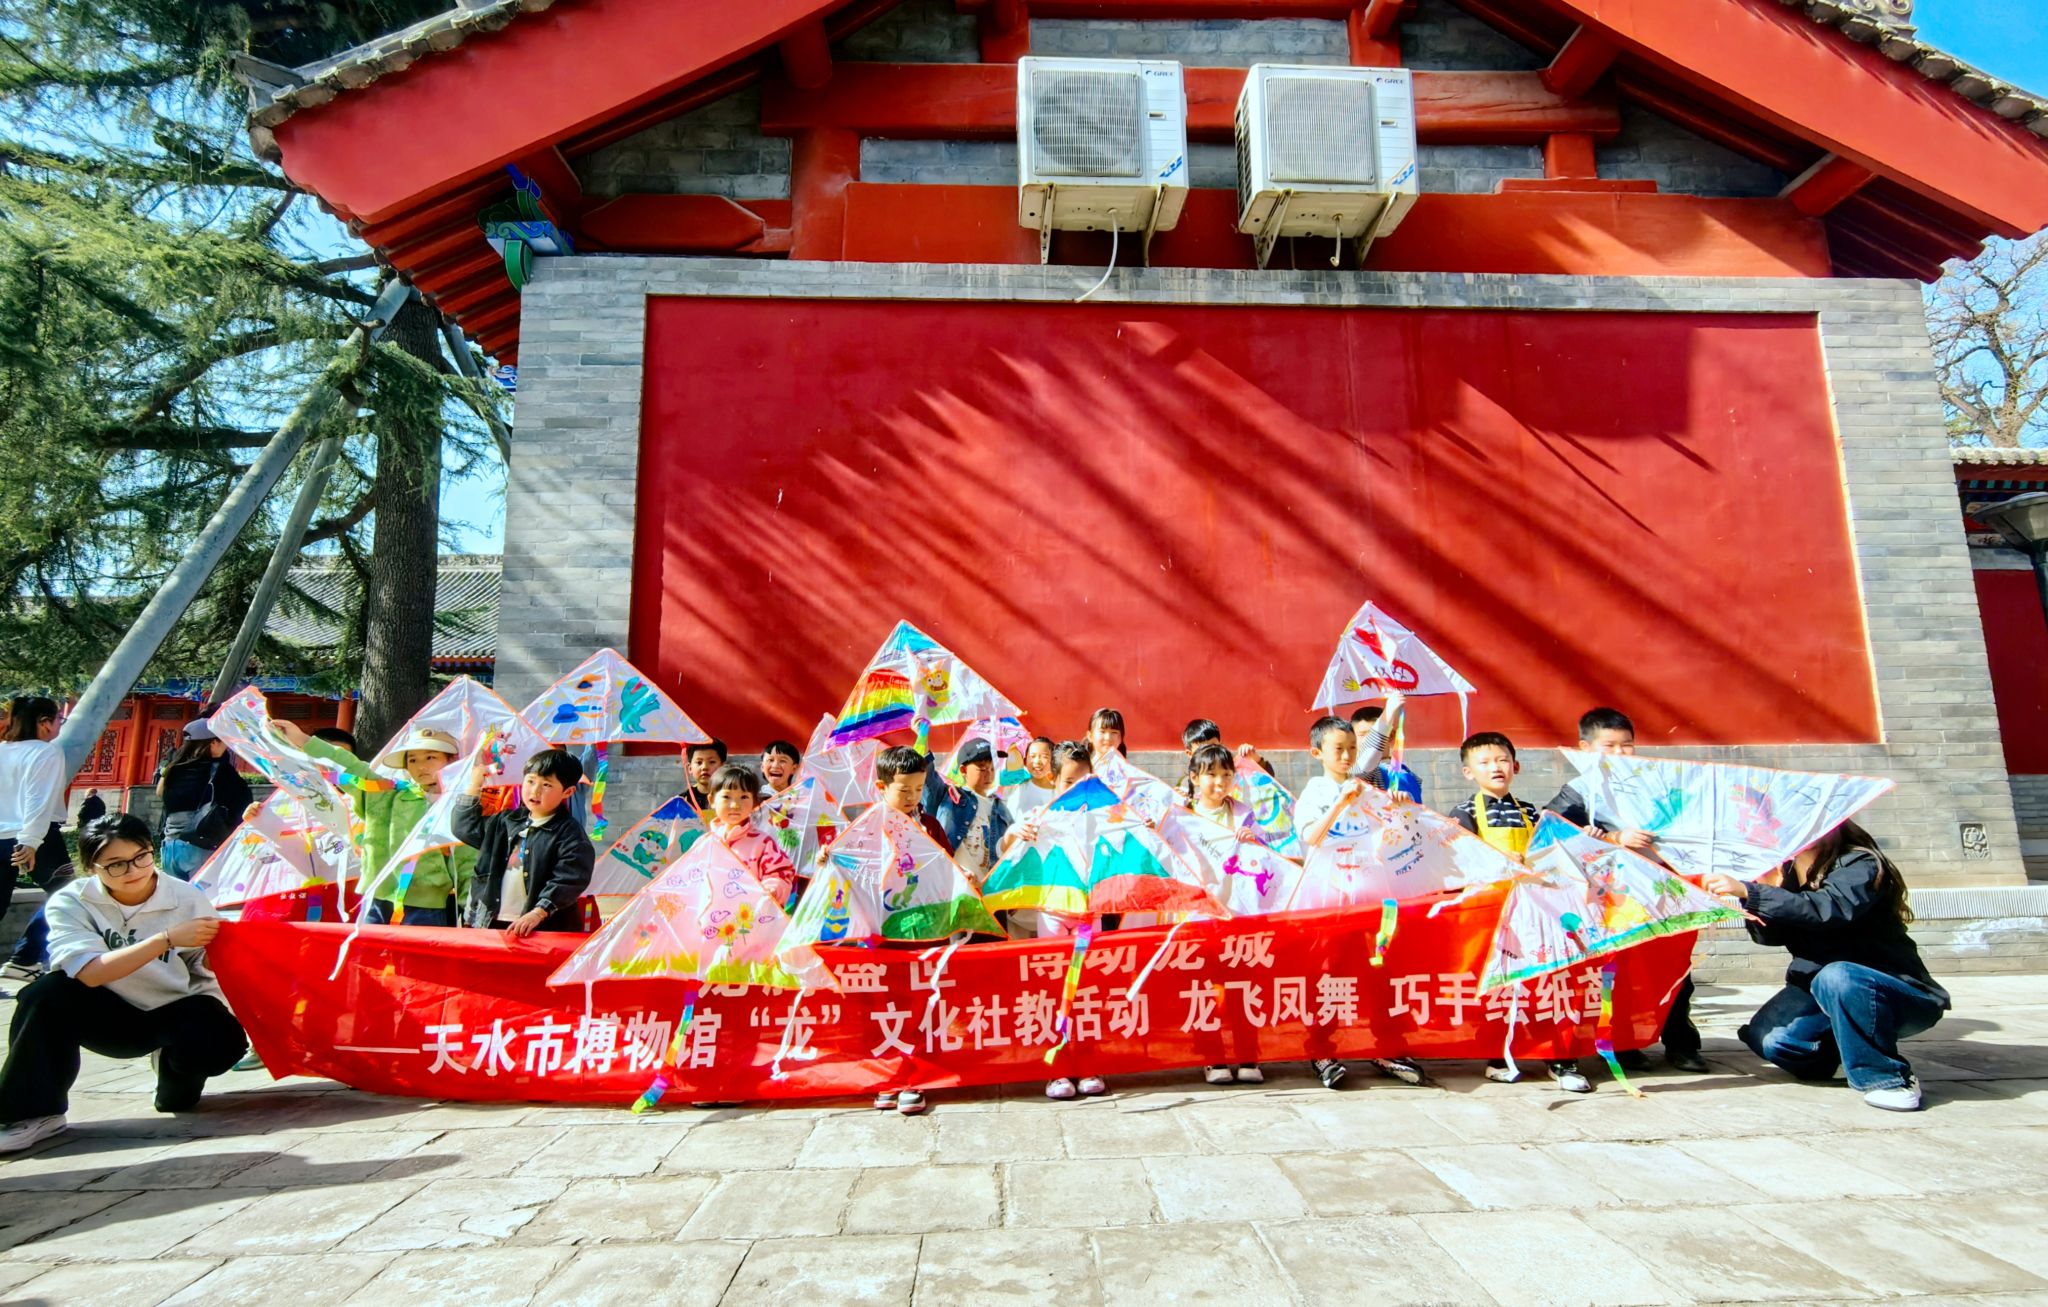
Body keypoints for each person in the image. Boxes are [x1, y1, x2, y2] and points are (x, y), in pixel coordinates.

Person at [0, 814, 246, 1152]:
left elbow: (204, 969)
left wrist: (218, 955)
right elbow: (90, 972)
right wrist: (166, 939)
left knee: (212, 1047)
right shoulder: (72, 902)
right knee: (45, 994)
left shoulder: (186, 897)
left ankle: (172, 1069)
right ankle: (33, 1112)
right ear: (92, 867)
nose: (133, 871)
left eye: (141, 856)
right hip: (104, 1012)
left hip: (169, 1010)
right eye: (116, 864)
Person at [1705, 822, 1949, 1112]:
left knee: (1837, 976)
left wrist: (1753, 892)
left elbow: (1827, 909)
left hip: (1889, 989)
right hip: (1819, 987)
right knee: (1771, 1041)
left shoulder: (1860, 863)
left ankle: (1888, 1078)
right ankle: (1845, 1057)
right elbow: (1770, 938)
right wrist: (1760, 892)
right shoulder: (1785, 872)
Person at [1544, 707, 1705, 1074]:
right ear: (1585, 748)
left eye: (1627, 745)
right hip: (1614, 899)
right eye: (1610, 745)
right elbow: (1551, 834)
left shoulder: (1656, 784)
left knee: (1675, 969)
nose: (1620, 753)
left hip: (1661, 889)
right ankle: (1624, 1043)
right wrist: (1614, 838)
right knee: (1622, 975)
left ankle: (1682, 1044)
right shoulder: (1580, 790)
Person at [1292, 715, 1428, 1091]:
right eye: (1338, 749)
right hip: (1330, 900)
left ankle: (1385, 1046)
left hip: (1372, 897)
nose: (1347, 756)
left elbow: (1394, 839)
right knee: (1328, 973)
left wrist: (1400, 808)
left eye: (1352, 749)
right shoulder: (1315, 792)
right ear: (1317, 753)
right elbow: (1312, 837)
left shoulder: (1369, 791)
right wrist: (1340, 803)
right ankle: (1321, 1049)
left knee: (1380, 970)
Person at [1452, 731, 1592, 1094]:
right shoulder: (1464, 813)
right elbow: (1460, 861)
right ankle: (1498, 1057)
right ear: (1468, 772)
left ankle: (1560, 1058)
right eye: (1484, 762)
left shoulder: (1532, 812)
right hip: (1494, 915)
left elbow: (1552, 853)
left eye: (1502, 760)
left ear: (1515, 766)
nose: (1495, 767)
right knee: (1500, 987)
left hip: (1537, 912)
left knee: (1550, 983)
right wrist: (1498, 861)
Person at [286, 721, 474, 928]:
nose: (421, 766)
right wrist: (303, 740)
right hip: (376, 898)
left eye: (431, 757)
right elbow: (352, 768)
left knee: (414, 951)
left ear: (452, 760)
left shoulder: (459, 806)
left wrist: (471, 915)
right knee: (367, 949)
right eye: (412, 759)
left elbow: (467, 863)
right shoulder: (386, 794)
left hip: (425, 907)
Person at [870, 745, 956, 1117]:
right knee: (887, 1003)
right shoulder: (868, 828)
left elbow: (947, 864)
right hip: (884, 931)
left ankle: (916, 1077)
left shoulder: (929, 825)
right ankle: (889, 1075)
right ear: (881, 786)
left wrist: (962, 876)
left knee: (922, 1000)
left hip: (926, 928)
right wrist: (828, 858)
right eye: (903, 790)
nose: (912, 797)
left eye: (919, 789)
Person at [1183, 743, 1270, 1087]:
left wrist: (1255, 839)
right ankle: (1212, 1057)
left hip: (1239, 914)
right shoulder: (1182, 814)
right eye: (1211, 775)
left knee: (1243, 988)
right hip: (1199, 916)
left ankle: (1249, 1055)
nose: (1220, 782)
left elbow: (1266, 856)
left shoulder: (1243, 813)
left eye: (1226, 774)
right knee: (1205, 990)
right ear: (1194, 778)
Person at [454, 749, 594, 935]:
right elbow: (464, 827)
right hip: (490, 920)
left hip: (541, 927)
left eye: (546, 785)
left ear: (567, 792)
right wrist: (474, 785)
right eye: (530, 781)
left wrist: (538, 912)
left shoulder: (570, 833)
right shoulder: (505, 821)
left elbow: (570, 879)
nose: (535, 791)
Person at [0, 698, 72, 985]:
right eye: (58, 720)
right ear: (45, 723)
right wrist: (30, 841)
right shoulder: (46, 752)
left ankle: (24, 960)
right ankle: (25, 958)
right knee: (67, 895)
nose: (58, 726)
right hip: (35, 838)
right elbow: (37, 799)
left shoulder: (2, 750)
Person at [155, 721, 252, 881]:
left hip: (170, 847)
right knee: (202, 896)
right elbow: (242, 802)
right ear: (213, 743)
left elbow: (160, 792)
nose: (226, 746)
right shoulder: (219, 770)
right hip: (198, 848)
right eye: (223, 741)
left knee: (177, 896)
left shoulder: (174, 768)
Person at [705, 763, 796, 904]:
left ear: (754, 802)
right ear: (712, 800)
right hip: (710, 913)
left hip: (748, 913)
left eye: (743, 797)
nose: (735, 805)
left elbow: (780, 873)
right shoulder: (705, 843)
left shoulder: (763, 843)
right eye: (726, 797)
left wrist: (772, 889)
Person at [923, 739, 1012, 885]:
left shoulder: (1001, 808)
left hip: (987, 889)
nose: (989, 774)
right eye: (982, 769)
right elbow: (927, 775)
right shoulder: (949, 796)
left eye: (992, 768)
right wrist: (923, 736)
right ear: (964, 770)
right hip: (954, 885)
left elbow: (1010, 851)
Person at [1349, 694, 1421, 802]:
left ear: (1391, 735)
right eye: (1362, 735)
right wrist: (1388, 714)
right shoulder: (1359, 772)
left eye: (1372, 735)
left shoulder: (1406, 772)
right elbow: (1368, 758)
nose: (1367, 740)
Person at [1006, 736, 1058, 817]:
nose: (1037, 761)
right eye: (1032, 756)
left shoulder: (1059, 793)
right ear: (1025, 760)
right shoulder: (1016, 786)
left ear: (1053, 761)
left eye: (1044, 757)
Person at [684, 740, 728, 814]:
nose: (705, 767)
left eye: (712, 762)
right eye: (699, 762)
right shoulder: (683, 800)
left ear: (723, 766)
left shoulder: (733, 796)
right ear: (690, 768)